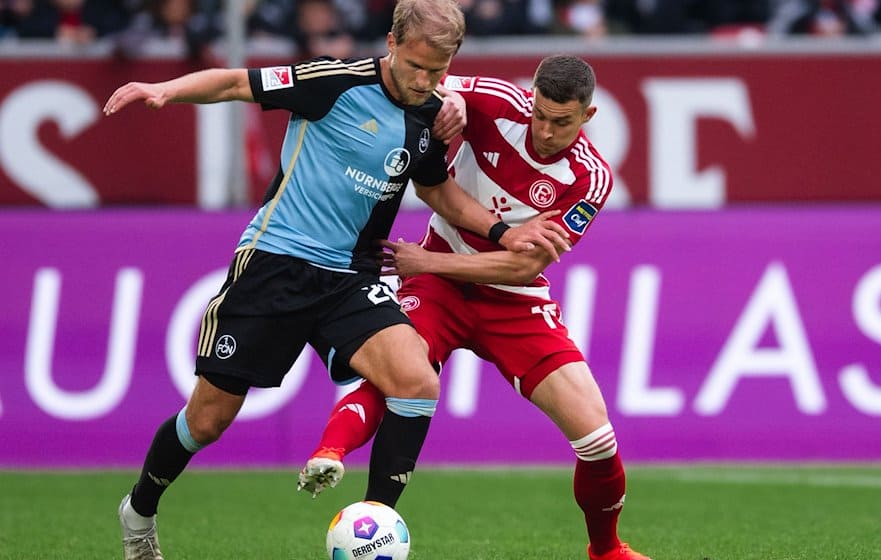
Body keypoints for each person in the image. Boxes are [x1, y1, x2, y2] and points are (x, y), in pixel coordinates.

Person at [103, 0, 571, 558]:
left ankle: (374, 530)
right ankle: (139, 510)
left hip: (351, 276)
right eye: (416, 66)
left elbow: (436, 191)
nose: (425, 81)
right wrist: (166, 90)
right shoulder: (332, 81)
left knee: (416, 381)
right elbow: (234, 83)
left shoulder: (432, 112)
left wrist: (502, 233)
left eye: (438, 70)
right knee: (206, 421)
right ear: (391, 44)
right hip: (276, 263)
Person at [298, 54, 651, 560]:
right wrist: (454, 105)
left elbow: (521, 270)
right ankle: (329, 453)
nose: (547, 131)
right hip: (439, 290)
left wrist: (429, 263)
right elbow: (429, 84)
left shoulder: (588, 179)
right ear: (531, 98)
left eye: (563, 122)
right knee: (401, 373)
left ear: (588, 117)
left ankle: (607, 550)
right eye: (541, 115)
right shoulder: (499, 102)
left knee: (596, 436)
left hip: (508, 300)